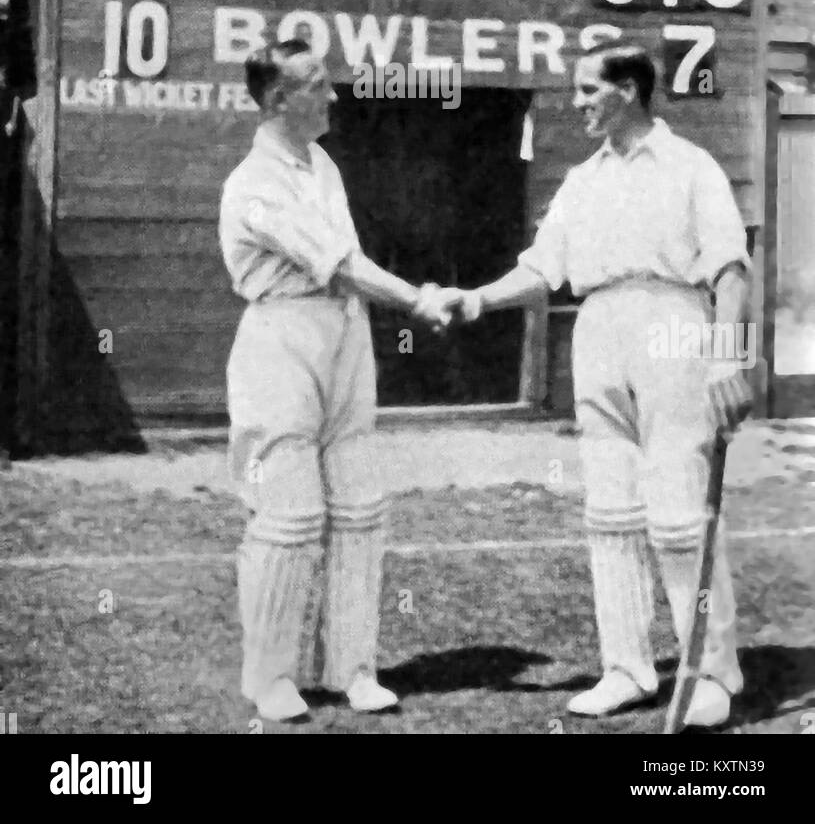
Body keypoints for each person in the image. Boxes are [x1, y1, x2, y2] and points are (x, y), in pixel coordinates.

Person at [449, 43, 753, 728]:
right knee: (609, 512)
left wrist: (729, 361)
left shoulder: (688, 166)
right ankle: (627, 667)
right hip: (598, 329)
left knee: (678, 514)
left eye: (589, 89)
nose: (578, 101)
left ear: (628, 90)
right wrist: (474, 299)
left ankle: (713, 671)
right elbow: (540, 267)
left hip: (671, 324)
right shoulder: (582, 179)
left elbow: (731, 270)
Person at [218, 39, 455, 723]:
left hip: (344, 338)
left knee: (358, 508)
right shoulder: (251, 184)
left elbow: (345, 273)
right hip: (280, 342)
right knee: (288, 517)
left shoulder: (320, 162)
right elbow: (339, 263)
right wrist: (417, 299)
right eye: (317, 86)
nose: (333, 95)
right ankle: (270, 679)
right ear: (275, 100)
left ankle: (352, 667)